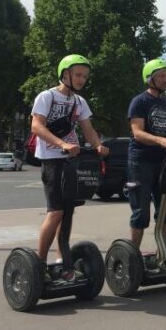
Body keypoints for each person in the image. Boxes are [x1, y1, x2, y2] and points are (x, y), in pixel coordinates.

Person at [31, 54, 109, 280]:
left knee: (68, 213)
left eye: (85, 76)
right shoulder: (47, 97)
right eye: (78, 75)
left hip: (71, 162)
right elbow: (37, 127)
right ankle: (40, 264)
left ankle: (62, 261)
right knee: (55, 212)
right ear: (65, 74)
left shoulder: (79, 102)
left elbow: (88, 129)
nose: (82, 79)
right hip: (52, 160)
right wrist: (62, 143)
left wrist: (98, 146)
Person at [127, 58, 166, 250]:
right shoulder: (139, 102)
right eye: (161, 76)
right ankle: (133, 254)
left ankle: (161, 253)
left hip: (164, 162)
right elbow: (137, 133)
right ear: (150, 78)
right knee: (141, 213)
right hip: (141, 161)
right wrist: (161, 140)